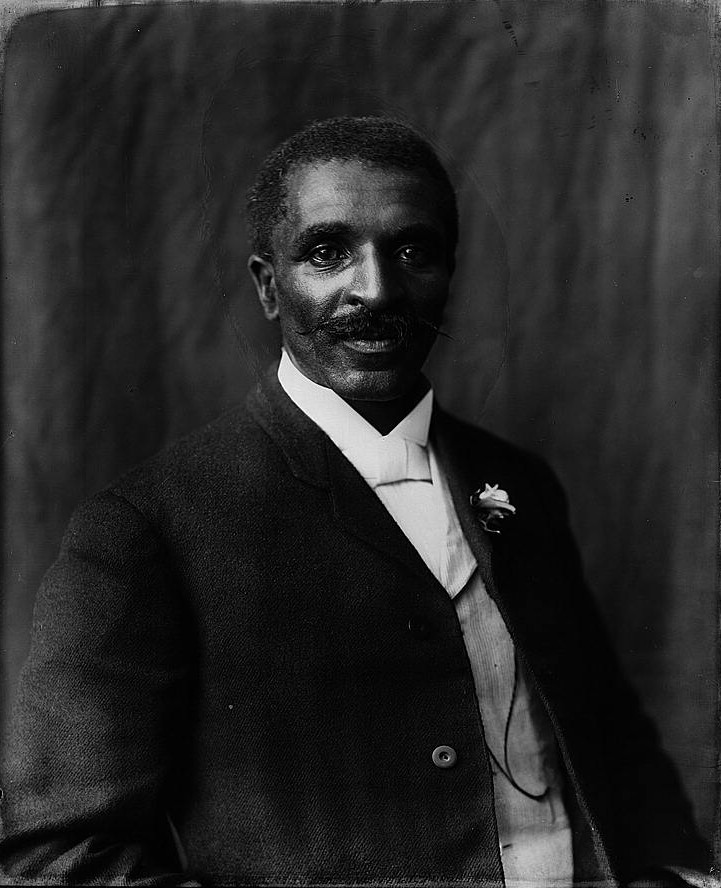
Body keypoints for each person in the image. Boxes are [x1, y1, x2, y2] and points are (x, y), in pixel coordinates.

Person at [0, 116, 710, 887]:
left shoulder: (520, 482)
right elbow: (57, 857)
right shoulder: (145, 528)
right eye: (326, 252)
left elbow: (611, 736)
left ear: (448, 274)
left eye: (411, 251)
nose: (375, 289)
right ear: (268, 286)